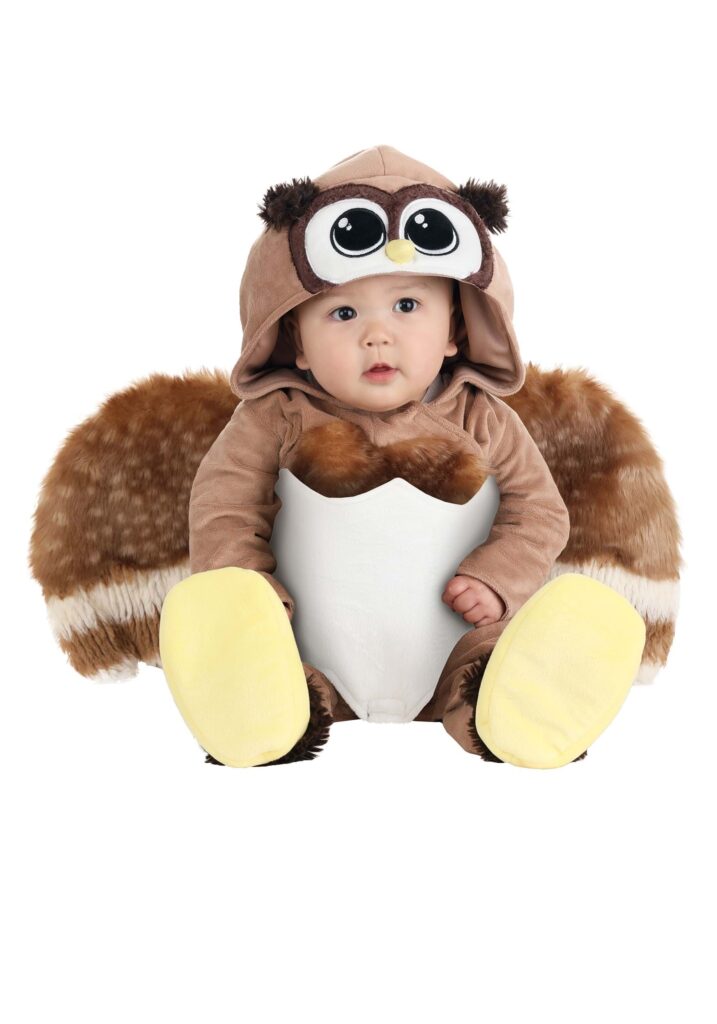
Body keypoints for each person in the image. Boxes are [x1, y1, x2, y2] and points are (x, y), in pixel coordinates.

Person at [158, 145, 646, 769]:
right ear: (296, 342)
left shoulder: (483, 418)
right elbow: (224, 507)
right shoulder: (274, 417)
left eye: (407, 306)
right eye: (343, 312)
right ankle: (263, 711)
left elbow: (540, 511)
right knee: (276, 671)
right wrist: (253, 598)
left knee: (488, 673)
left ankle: (516, 710)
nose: (377, 335)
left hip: (454, 646)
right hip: (306, 644)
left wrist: (497, 578)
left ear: (455, 330)